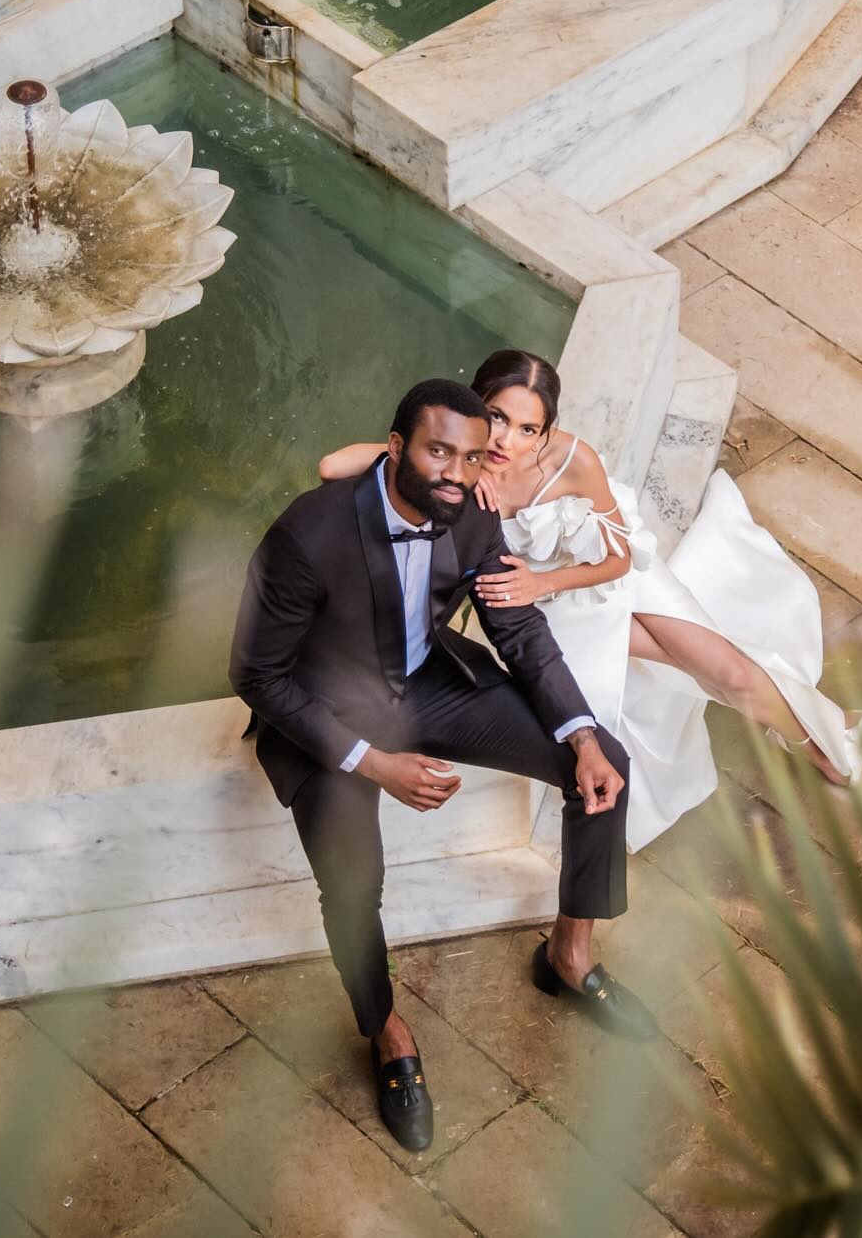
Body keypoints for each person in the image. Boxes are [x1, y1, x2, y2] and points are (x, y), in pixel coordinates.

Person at [231, 378, 656, 1158]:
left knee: (602, 760)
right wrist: (374, 763)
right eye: (437, 451)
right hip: (325, 717)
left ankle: (568, 954)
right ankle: (386, 1030)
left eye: (468, 455)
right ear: (395, 448)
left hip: (426, 686)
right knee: (353, 883)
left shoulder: (471, 512)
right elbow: (258, 676)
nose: (456, 471)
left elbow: (519, 629)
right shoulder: (309, 534)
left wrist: (583, 729)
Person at [320, 350, 862, 853]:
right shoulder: (446, 458)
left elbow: (618, 558)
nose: (505, 441)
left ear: (546, 432)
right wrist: (433, 459)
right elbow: (332, 465)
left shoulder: (573, 461)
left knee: (727, 667)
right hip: (552, 618)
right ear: (475, 407)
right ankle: (804, 733)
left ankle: (820, 745)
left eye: (526, 428)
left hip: (606, 583)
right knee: (695, 666)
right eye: (495, 418)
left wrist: (544, 583)